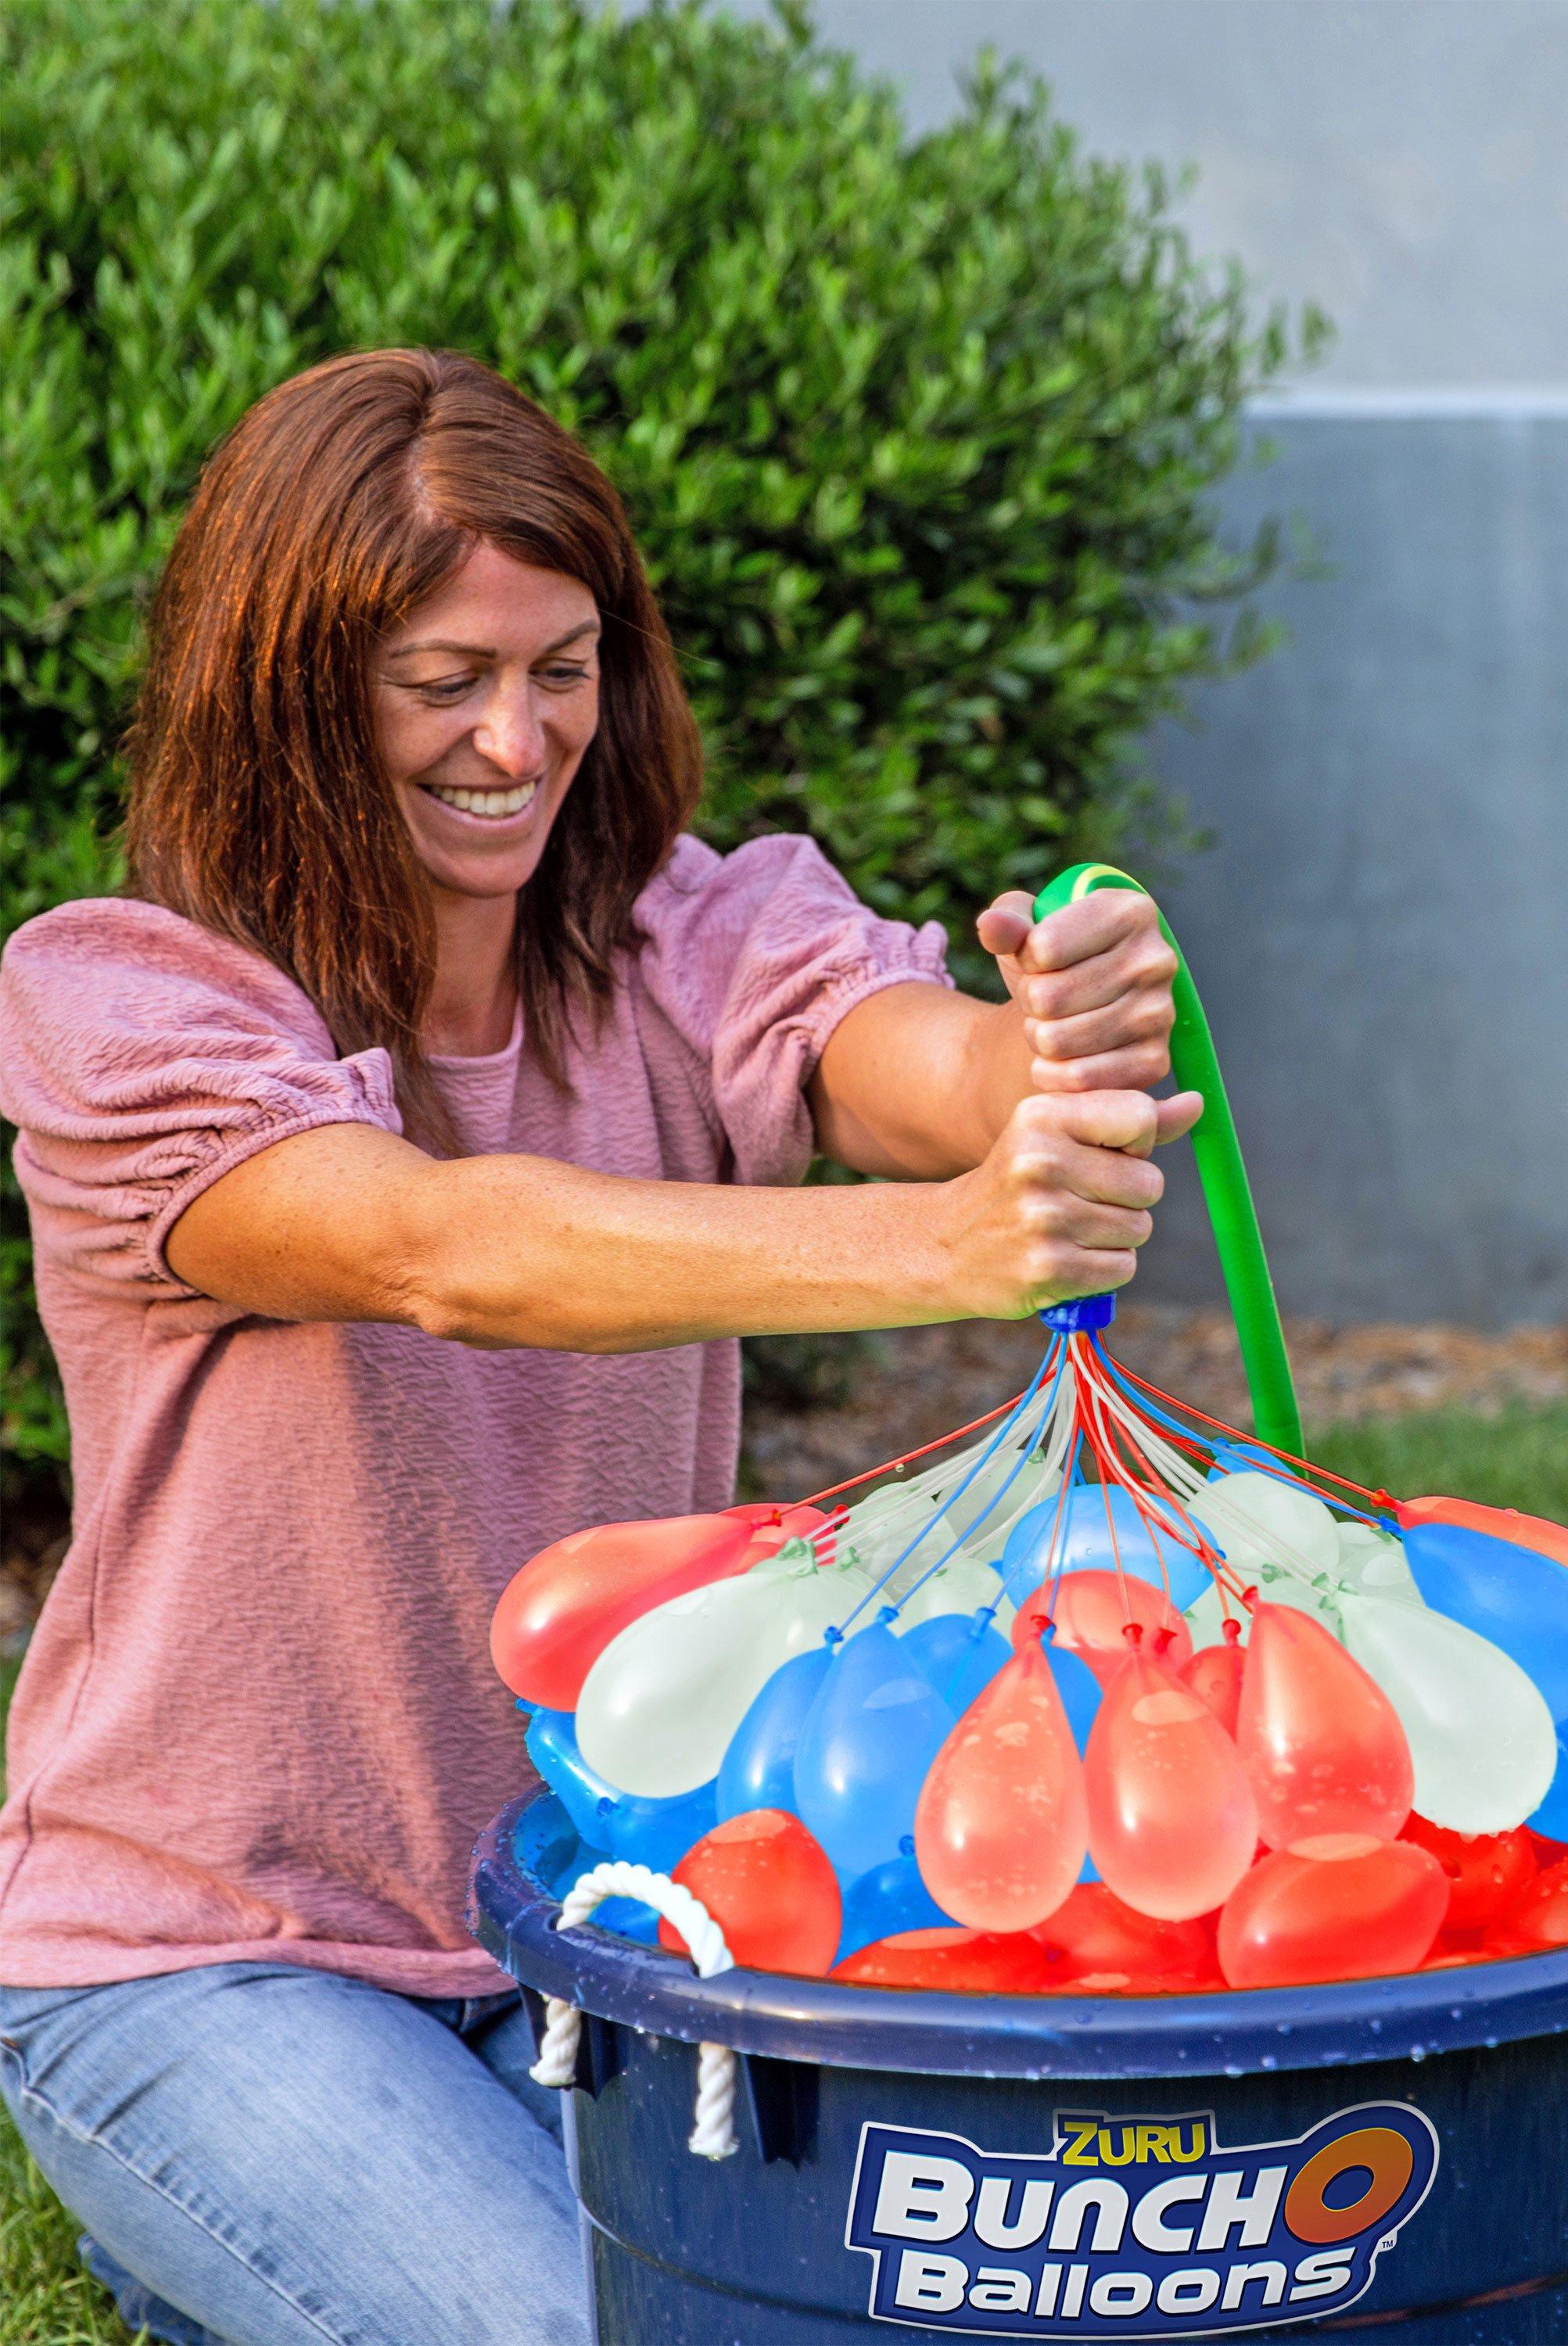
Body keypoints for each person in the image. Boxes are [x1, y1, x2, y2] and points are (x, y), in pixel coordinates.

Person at [0, 349, 1197, 2346]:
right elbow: (442, 1251)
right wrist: (956, 1245)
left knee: (931, 2299)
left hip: (607, 1917)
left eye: (563, 668)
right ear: (290, 689)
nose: (517, 736)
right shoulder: (124, 1005)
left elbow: (891, 1054)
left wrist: (1037, 1051)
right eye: (439, 678)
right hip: (209, 1954)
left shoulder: (671, 930)